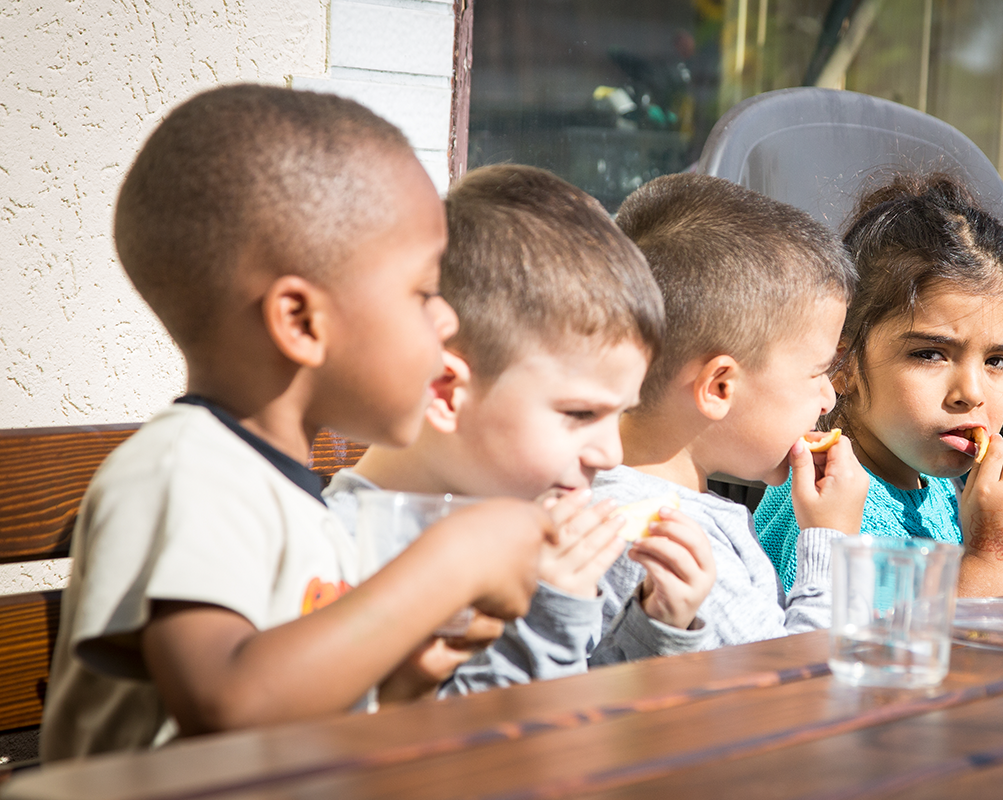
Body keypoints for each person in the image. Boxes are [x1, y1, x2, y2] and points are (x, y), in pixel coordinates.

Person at [40, 85, 548, 761]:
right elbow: (228, 704)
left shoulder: (298, 500)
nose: (447, 319)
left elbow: (294, 722)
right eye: (425, 292)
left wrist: (401, 682)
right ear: (301, 323)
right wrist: (452, 560)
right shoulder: (184, 470)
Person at [325, 164, 717, 694]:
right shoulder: (337, 555)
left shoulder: (527, 521)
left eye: (620, 413)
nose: (608, 452)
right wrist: (549, 617)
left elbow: (587, 729)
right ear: (444, 390)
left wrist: (657, 626)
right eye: (580, 414)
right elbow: (471, 758)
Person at [755, 175, 1003, 597]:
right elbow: (935, 656)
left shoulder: (931, 482)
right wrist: (989, 554)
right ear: (840, 363)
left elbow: (991, 622)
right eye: (930, 354)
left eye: (998, 361)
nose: (971, 393)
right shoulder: (824, 509)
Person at [591, 173, 869, 648]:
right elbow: (801, 688)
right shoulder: (661, 542)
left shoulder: (629, 504)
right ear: (719, 387)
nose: (828, 398)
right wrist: (831, 540)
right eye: (817, 372)